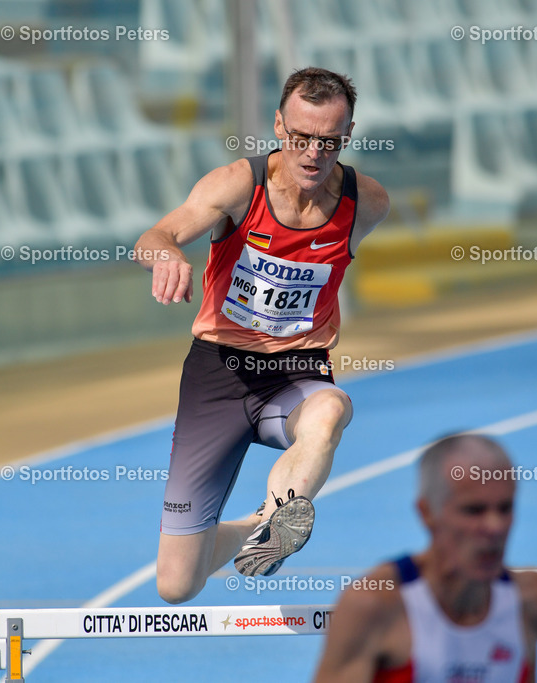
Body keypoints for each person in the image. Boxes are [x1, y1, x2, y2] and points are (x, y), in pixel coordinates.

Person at [133, 67, 390, 604]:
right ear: (278, 125)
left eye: (328, 142)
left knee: (330, 411)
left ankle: (277, 526)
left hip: (296, 373)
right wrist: (166, 256)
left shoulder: (365, 203)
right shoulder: (236, 185)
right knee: (177, 585)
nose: (313, 154)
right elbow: (158, 234)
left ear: (347, 137)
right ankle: (259, 523)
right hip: (217, 376)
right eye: (301, 138)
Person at [313, 434, 537, 682]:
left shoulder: (536, 603)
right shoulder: (374, 606)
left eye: (505, 508)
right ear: (427, 513)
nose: (495, 527)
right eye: (474, 511)